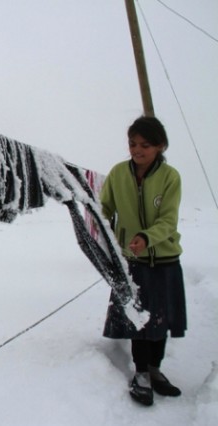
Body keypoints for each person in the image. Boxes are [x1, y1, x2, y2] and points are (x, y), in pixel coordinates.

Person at [99, 116, 187, 407]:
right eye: (133, 144)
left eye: (145, 145)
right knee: (138, 320)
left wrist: (146, 237)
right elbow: (104, 208)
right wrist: (106, 232)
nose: (137, 150)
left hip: (164, 259)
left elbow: (168, 220)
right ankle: (141, 373)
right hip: (132, 260)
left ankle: (155, 369)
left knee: (159, 319)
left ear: (160, 146)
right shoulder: (118, 174)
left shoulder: (170, 177)